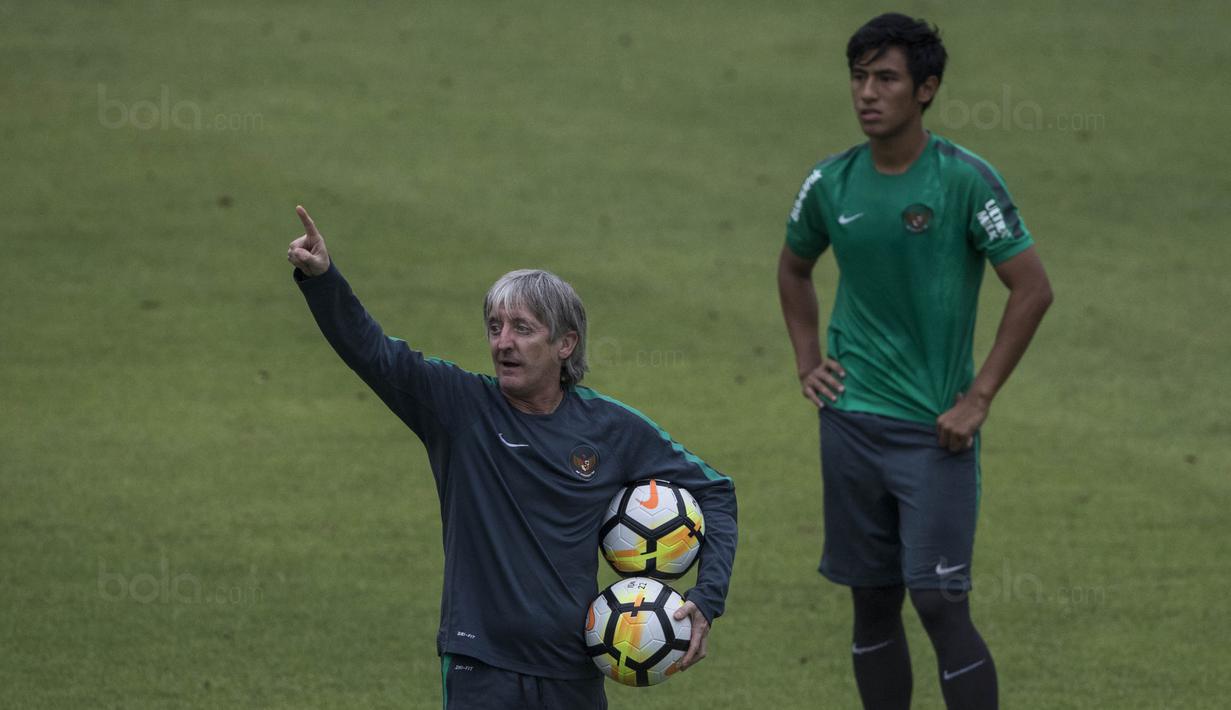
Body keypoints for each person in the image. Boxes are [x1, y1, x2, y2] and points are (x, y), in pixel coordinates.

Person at [286, 206, 737, 710]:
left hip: (574, 670)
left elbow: (715, 490)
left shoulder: (610, 428)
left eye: (522, 328)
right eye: (495, 326)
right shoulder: (460, 409)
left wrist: (706, 598)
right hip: (481, 665)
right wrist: (323, 279)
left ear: (565, 343)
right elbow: (374, 352)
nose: (503, 343)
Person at [777, 13, 1053, 710]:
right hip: (848, 424)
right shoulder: (830, 183)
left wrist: (979, 397)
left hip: (933, 433)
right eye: (858, 77)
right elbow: (792, 269)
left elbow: (1031, 288)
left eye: (885, 78)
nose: (866, 93)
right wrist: (808, 358)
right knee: (870, 601)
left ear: (924, 89)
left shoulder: (964, 181)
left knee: (936, 600)